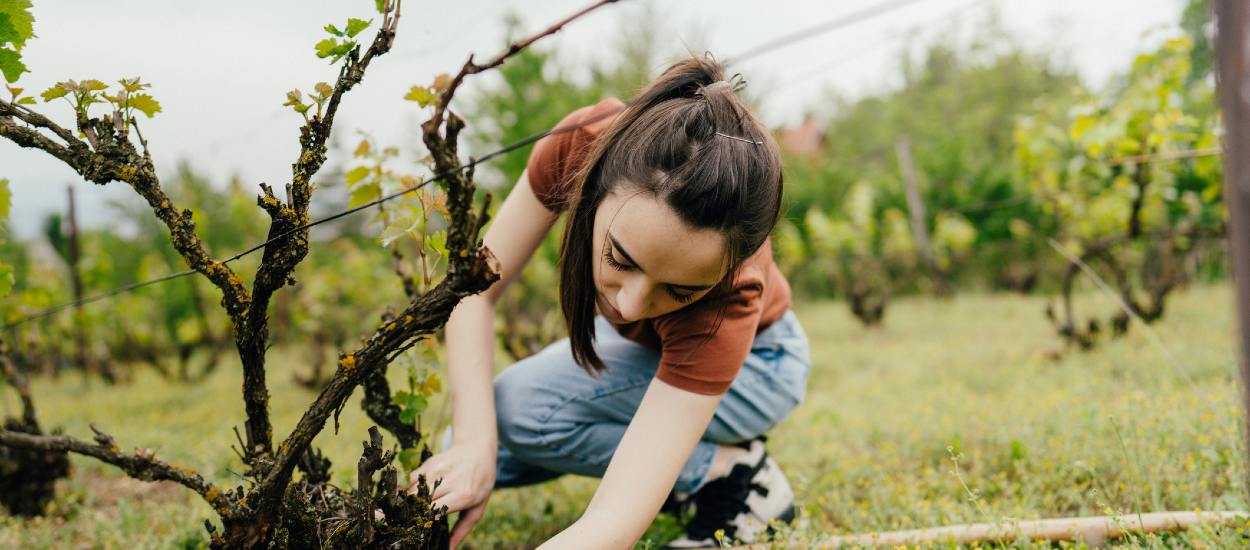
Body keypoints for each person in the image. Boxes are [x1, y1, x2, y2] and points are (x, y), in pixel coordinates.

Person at [405, 55, 811, 549]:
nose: (633, 305)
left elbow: (613, 524)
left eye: (680, 291)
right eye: (621, 259)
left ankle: (732, 473)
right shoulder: (582, 144)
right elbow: (474, 293)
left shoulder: (733, 296)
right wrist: (472, 445)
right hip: (647, 351)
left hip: (761, 365)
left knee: (522, 411)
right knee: (467, 443)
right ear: (599, 187)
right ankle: (699, 467)